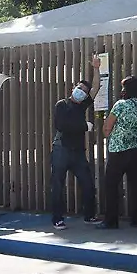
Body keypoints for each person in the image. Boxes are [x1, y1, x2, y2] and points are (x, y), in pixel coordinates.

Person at [50, 56, 102, 229]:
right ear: (74, 88)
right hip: (61, 149)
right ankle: (57, 218)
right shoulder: (62, 105)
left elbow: (96, 87)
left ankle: (89, 215)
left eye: (84, 91)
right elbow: (61, 125)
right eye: (79, 88)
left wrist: (96, 68)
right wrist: (84, 126)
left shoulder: (82, 105)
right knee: (57, 184)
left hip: (77, 151)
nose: (81, 91)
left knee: (87, 183)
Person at [99, 76, 137, 229]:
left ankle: (111, 220)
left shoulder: (120, 105)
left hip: (118, 150)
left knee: (111, 185)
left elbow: (107, 128)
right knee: (136, 184)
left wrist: (109, 133)